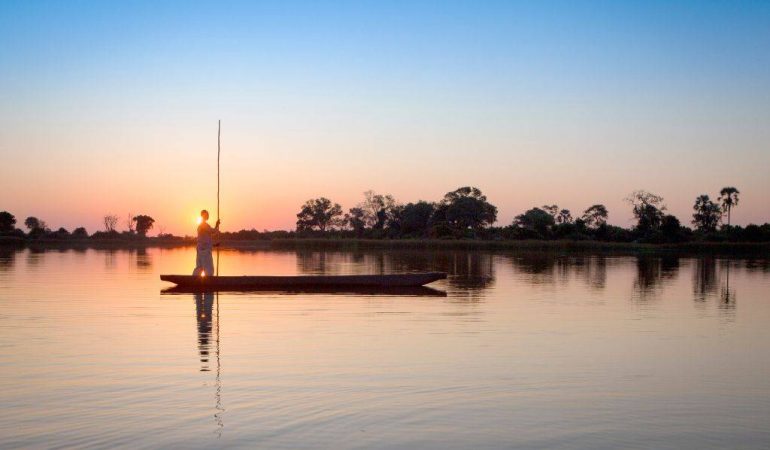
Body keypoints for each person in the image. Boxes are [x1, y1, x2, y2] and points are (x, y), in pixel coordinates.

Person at [192, 210, 220, 276]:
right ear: (203, 216)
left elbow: (206, 238)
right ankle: (208, 281)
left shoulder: (202, 226)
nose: (208, 216)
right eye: (206, 214)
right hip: (204, 251)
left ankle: (194, 279)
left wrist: (214, 245)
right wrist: (217, 225)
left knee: (199, 267)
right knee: (209, 268)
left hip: (200, 250)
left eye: (208, 214)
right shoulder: (203, 225)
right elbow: (212, 231)